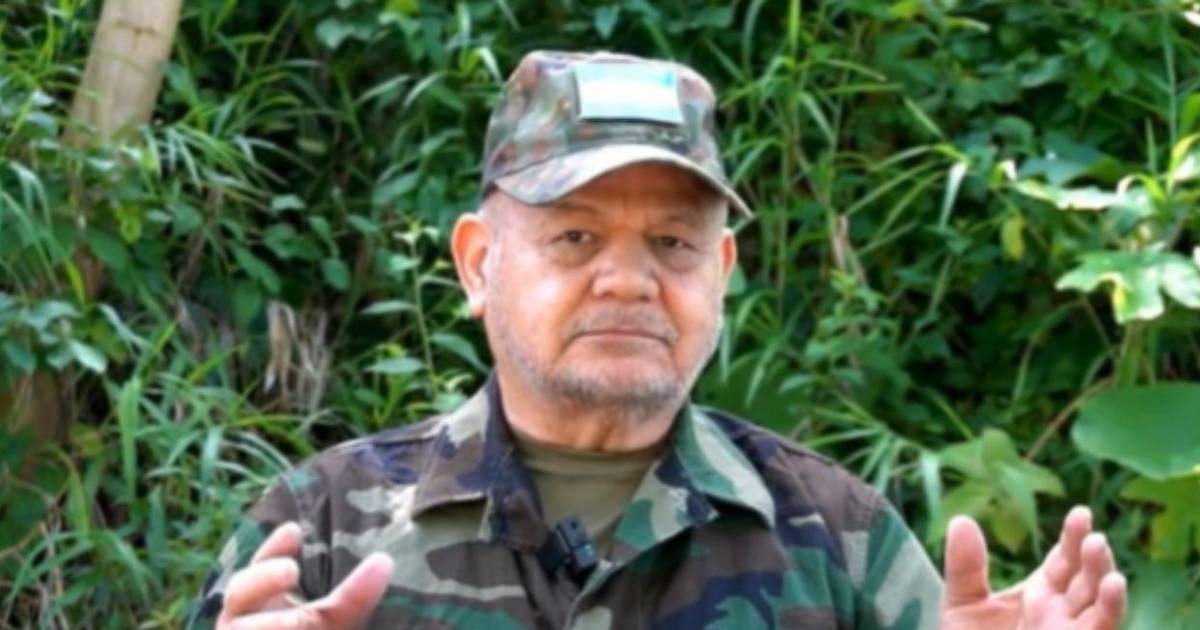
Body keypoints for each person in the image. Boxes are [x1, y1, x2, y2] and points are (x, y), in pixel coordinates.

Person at [186, 50, 1126, 630]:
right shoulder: (324, 531)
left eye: (674, 244)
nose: (629, 280)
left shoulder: (838, 541)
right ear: (478, 265)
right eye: (576, 237)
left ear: (721, 271)